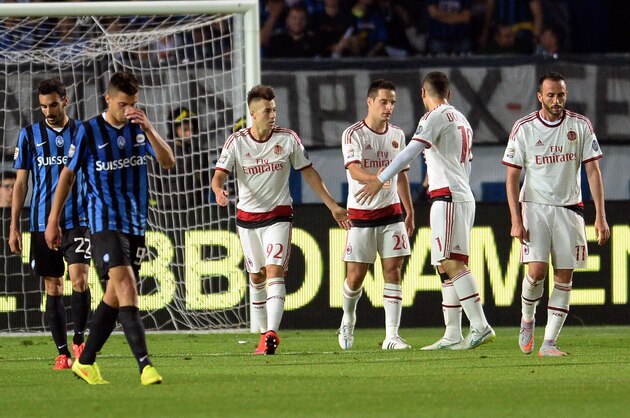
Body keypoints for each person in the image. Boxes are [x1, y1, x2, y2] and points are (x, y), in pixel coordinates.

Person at [45, 71, 175, 384]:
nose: (127, 109)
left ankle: (85, 362)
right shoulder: (89, 131)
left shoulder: (138, 129)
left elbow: (168, 161)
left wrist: (149, 128)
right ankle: (145, 366)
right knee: (127, 287)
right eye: (122, 103)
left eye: (132, 103)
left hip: (134, 225)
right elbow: (67, 176)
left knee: (115, 298)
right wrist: (53, 220)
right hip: (103, 225)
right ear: (107, 99)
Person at [357, 71, 495, 350]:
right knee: (443, 265)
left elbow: (407, 152)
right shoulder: (461, 118)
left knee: (453, 263)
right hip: (457, 194)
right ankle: (453, 334)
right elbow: (461, 160)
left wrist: (380, 179)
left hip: (448, 198)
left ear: (423, 93)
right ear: (450, 94)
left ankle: (480, 325)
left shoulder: (435, 117)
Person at [212, 84, 351, 355]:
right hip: (247, 219)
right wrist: (218, 189)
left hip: (278, 216)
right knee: (257, 275)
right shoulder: (236, 142)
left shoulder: (287, 139)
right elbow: (219, 174)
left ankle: (271, 334)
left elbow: (309, 173)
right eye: (267, 110)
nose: (272, 114)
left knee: (275, 270)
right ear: (253, 113)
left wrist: (333, 206)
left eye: (274, 109)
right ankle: (264, 336)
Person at [502, 71, 610, 356]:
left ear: (566, 95)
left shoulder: (580, 125)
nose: (556, 100)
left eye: (560, 94)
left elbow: (592, 171)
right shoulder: (523, 128)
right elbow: (512, 177)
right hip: (534, 207)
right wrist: (515, 219)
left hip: (569, 208)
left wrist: (601, 215)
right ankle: (527, 318)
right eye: (550, 95)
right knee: (536, 272)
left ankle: (549, 343)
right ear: (540, 97)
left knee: (564, 276)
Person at [9, 79, 91, 370]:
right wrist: (14, 226)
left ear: (65, 101)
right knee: (53, 287)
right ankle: (62, 353)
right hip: (42, 222)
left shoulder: (82, 132)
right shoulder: (29, 135)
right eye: (43, 106)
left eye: (53, 104)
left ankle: (79, 341)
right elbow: (21, 183)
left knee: (80, 279)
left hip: (78, 220)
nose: (48, 111)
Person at [337, 79, 413, 351]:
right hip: (361, 216)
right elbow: (353, 170)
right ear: (369, 102)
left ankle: (392, 336)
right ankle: (347, 318)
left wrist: (409, 210)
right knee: (355, 278)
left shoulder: (398, 135)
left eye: (392, 102)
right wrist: (377, 178)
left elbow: (402, 174)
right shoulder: (353, 134)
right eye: (384, 101)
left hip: (391, 213)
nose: (389, 107)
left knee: (393, 271)